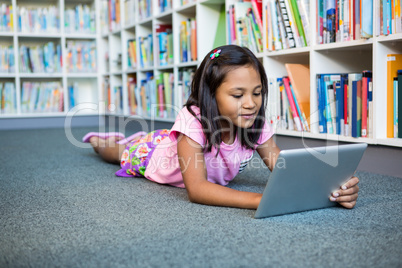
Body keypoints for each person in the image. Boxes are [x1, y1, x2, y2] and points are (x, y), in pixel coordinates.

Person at [84, 45, 359, 210]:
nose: (251, 103)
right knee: (117, 152)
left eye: (257, 92)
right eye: (238, 95)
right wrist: (258, 199)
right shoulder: (194, 119)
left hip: (171, 141)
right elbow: (198, 189)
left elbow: (281, 163)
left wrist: (330, 187)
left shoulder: (255, 121)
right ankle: (100, 139)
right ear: (210, 94)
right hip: (154, 156)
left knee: (142, 142)